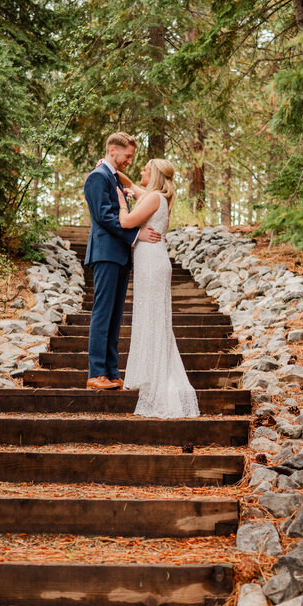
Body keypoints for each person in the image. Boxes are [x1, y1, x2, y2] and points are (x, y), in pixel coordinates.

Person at [113, 158, 199, 418]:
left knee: (153, 320)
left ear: (155, 175)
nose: (141, 171)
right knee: (150, 319)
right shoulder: (155, 196)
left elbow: (127, 222)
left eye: (145, 169)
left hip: (152, 264)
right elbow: (132, 186)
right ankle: (151, 374)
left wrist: (120, 201)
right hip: (150, 262)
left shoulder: (153, 198)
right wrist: (113, 171)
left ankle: (159, 384)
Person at [82, 133, 161, 390]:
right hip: (105, 253)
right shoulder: (97, 178)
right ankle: (96, 373)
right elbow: (104, 216)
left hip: (120, 255)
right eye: (127, 156)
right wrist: (136, 234)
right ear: (113, 150)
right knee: (103, 312)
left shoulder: (113, 178)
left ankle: (112, 372)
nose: (129, 161)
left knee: (115, 316)